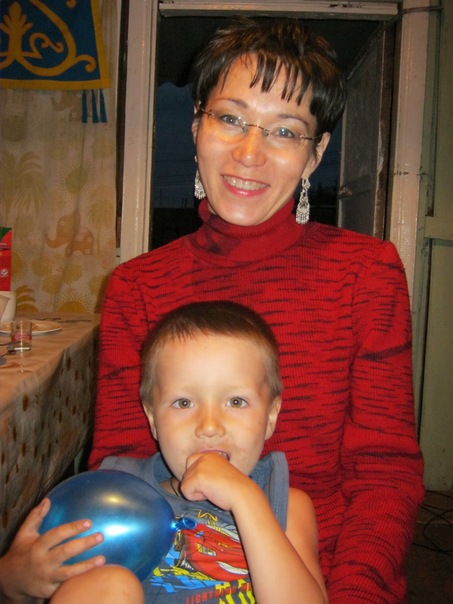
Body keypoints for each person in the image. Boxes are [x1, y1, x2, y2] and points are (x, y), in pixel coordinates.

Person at [88, 17, 424, 603]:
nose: (249, 153)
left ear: (315, 155)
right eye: (230, 119)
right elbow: (119, 471)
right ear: (197, 126)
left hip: (316, 575)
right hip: (166, 576)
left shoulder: (366, 274)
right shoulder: (136, 287)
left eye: (285, 131)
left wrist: (356, 595)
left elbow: (384, 474)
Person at [0, 301, 328, 604]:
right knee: (109, 583)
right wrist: (16, 579)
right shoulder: (111, 493)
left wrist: (246, 498)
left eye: (235, 401)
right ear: (153, 419)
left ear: (270, 416)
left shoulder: (284, 504)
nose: (209, 426)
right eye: (184, 403)